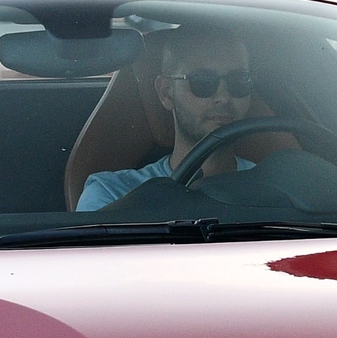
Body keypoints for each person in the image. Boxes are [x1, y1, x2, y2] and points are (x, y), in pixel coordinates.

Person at [78, 27, 261, 210]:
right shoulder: (112, 194)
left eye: (239, 81)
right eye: (203, 81)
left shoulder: (276, 185)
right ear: (166, 92)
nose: (224, 97)